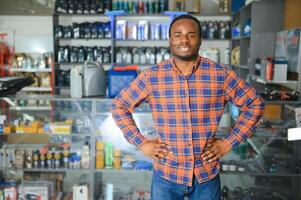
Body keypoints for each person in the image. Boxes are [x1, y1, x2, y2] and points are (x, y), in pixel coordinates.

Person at [111, 14, 264, 200]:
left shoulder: (220, 74)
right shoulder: (152, 76)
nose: (184, 40)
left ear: (200, 40)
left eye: (191, 35)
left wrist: (228, 143)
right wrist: (141, 143)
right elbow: (119, 106)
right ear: (169, 40)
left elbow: (254, 103)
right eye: (178, 34)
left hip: (205, 176)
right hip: (166, 175)